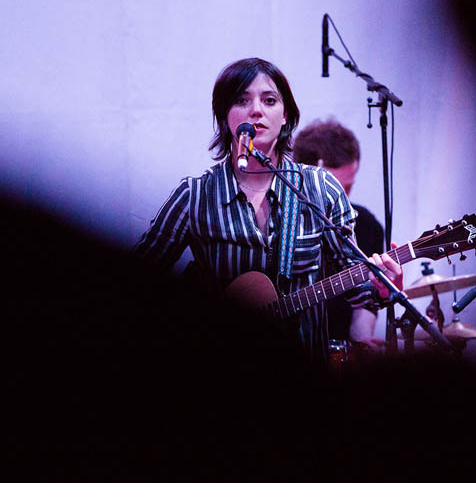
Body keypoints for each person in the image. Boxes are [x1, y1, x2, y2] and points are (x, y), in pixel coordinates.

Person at [133, 57, 402, 365]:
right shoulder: (195, 195)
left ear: (285, 115)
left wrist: (382, 289)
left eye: (269, 100)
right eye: (241, 100)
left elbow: (357, 290)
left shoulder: (319, 188)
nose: (256, 110)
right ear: (224, 116)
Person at [292, 118, 386, 351]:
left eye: (348, 188)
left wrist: (362, 339)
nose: (340, 199)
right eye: (332, 189)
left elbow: (364, 305)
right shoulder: (276, 219)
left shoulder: (366, 224)